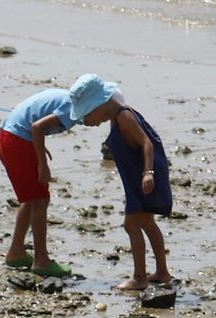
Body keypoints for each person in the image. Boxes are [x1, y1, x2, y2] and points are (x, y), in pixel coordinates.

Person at [69, 73, 172, 292]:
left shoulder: (124, 117)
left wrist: (148, 173)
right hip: (136, 177)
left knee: (131, 224)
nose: (85, 121)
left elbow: (147, 144)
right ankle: (162, 272)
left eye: (86, 114)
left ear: (101, 104)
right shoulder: (115, 117)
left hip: (144, 176)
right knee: (146, 223)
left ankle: (140, 278)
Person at [0, 85, 80, 278]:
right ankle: (41, 260)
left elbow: (30, 115)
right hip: (18, 141)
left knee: (30, 198)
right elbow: (36, 127)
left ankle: (16, 252)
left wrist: (36, 147)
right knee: (40, 199)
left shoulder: (63, 95)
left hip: (7, 135)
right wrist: (42, 163)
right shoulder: (71, 109)